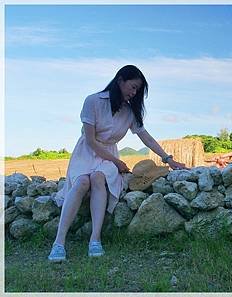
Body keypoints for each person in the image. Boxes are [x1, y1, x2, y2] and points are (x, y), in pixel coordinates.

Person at [48, 65, 187, 262]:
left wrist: (168, 159)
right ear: (120, 80)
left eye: (137, 90)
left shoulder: (129, 112)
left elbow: (145, 137)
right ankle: (58, 242)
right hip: (87, 152)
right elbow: (90, 141)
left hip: (108, 155)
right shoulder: (93, 101)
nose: (134, 92)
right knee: (81, 183)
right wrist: (117, 162)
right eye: (132, 87)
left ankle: (95, 239)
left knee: (98, 178)